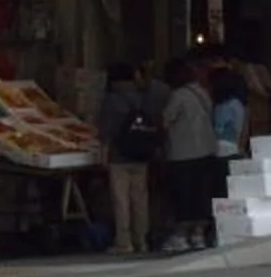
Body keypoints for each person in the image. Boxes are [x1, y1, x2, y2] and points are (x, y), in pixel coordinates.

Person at [97, 61, 164, 255]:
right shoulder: (142, 97)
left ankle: (124, 241)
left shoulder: (111, 99)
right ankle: (141, 240)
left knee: (121, 199)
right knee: (140, 198)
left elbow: (106, 131)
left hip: (119, 155)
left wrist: (103, 154)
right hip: (141, 153)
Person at [158, 57, 221, 253]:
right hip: (207, 149)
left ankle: (181, 235)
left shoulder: (178, 95)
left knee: (183, 195)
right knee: (201, 194)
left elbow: (166, 121)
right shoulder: (203, 93)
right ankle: (198, 234)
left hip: (183, 153)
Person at [211, 67, 250, 161]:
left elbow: (218, 130)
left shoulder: (225, 106)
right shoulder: (238, 104)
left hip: (225, 149)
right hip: (234, 148)